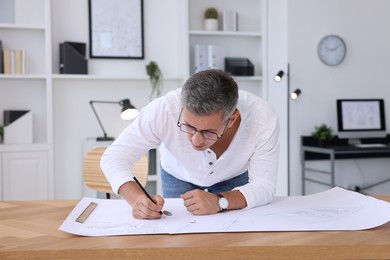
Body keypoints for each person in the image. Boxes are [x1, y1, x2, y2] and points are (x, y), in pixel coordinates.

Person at [101, 69, 279, 219]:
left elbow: (264, 185)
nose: (196, 141)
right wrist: (137, 199)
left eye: (208, 131)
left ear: (232, 119)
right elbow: (114, 157)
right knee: (180, 236)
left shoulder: (262, 118)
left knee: (232, 235)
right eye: (188, 126)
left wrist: (220, 201)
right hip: (178, 174)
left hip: (233, 176)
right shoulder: (163, 110)